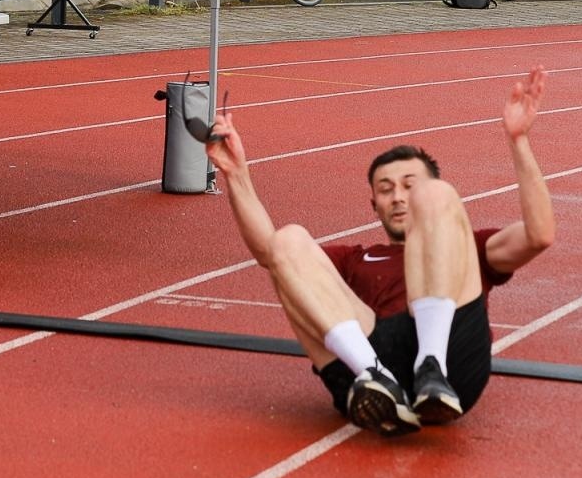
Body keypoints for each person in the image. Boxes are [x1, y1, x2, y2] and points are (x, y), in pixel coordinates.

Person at [205, 68, 556, 434]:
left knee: (434, 200)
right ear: (374, 205)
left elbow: (539, 235)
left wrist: (519, 141)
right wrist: (237, 175)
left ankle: (431, 366)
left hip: (454, 362)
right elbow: (270, 254)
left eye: (409, 184)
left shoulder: (471, 248)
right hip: (366, 365)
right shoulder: (358, 258)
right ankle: (376, 376)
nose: (399, 196)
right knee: (288, 239)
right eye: (386, 189)